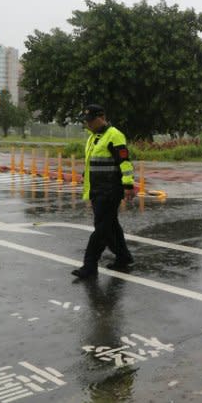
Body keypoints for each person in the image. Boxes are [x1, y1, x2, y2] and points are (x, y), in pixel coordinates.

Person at [71, 104, 136, 279]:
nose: (88, 124)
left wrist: (128, 185)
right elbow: (93, 162)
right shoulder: (93, 137)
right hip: (97, 190)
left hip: (110, 191)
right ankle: (124, 257)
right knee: (111, 227)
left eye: (91, 120)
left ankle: (89, 266)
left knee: (101, 230)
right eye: (86, 121)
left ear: (101, 117)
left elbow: (124, 162)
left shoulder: (114, 135)